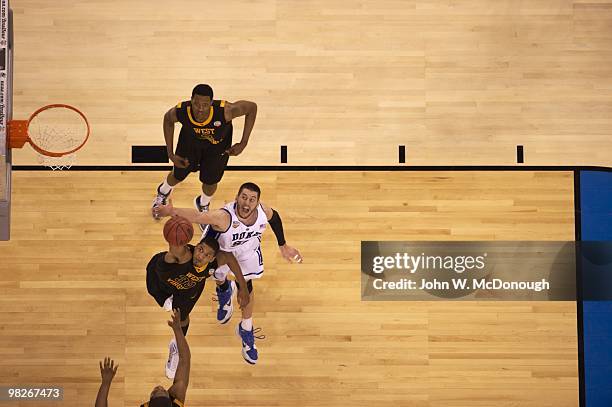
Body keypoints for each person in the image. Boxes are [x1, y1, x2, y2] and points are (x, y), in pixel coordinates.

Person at [153, 182, 303, 365]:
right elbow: (198, 215)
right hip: (220, 250)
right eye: (244, 197)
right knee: (218, 276)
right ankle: (224, 290)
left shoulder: (264, 211)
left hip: (246, 250)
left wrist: (283, 245)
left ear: (257, 202)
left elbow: (275, 217)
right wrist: (171, 211)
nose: (247, 203)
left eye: (252, 199)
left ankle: (245, 328)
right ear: (237, 198)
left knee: (246, 287)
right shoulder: (224, 217)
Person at [152, 84, 258, 231]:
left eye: (205, 105)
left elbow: (252, 108)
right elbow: (167, 120)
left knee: (210, 182)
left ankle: (203, 205)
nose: (200, 109)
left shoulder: (225, 111)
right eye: (196, 104)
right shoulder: (182, 111)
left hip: (217, 148)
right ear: (191, 101)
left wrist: (244, 142)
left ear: (211, 103)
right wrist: (170, 153)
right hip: (189, 144)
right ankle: (162, 192)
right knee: (177, 175)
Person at [146, 235, 250, 378]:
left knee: (181, 317)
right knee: (158, 296)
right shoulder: (183, 255)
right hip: (159, 279)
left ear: (212, 259)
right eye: (200, 250)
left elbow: (229, 257)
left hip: (187, 287)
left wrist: (243, 287)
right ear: (196, 247)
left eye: (207, 255)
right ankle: (167, 299)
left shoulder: (212, 264)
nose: (201, 256)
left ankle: (176, 345)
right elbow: (174, 247)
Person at [94, 309, 190, 407]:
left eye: (155, 392)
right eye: (164, 391)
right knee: (180, 385)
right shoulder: (177, 396)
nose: (160, 387)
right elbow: (184, 360)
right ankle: (171, 369)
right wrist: (178, 329)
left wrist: (106, 383)